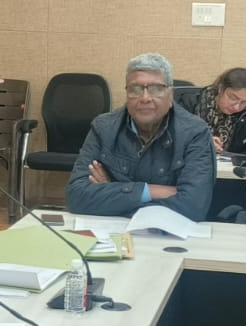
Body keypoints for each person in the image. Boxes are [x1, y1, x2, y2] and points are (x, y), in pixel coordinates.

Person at [66, 53, 214, 221]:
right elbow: (76, 197)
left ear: (170, 95)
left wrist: (113, 195)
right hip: (112, 231)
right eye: (135, 89)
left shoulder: (195, 132)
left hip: (170, 232)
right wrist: (149, 191)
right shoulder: (103, 127)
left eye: (156, 89)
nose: (145, 98)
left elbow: (193, 206)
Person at [194, 67, 246, 154]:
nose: (236, 107)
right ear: (220, 88)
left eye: (243, 102)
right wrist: (202, 142)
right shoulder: (191, 103)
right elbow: (181, 140)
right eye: (233, 98)